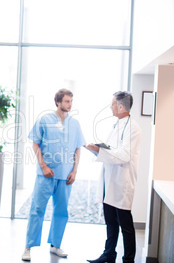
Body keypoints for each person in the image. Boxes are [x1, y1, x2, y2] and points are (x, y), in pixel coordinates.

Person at [22, 89, 85, 261]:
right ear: (57, 102)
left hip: (65, 176)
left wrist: (74, 171)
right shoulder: (45, 120)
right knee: (37, 209)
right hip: (46, 174)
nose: (69, 104)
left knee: (62, 211)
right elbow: (35, 144)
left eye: (71, 101)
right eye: (66, 101)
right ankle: (28, 246)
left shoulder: (75, 124)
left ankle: (55, 245)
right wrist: (43, 166)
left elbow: (78, 148)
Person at [85, 91, 142, 263]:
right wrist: (98, 149)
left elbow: (125, 155)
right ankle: (109, 254)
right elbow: (112, 149)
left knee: (125, 225)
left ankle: (129, 259)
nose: (110, 107)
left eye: (112, 104)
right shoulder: (117, 124)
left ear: (121, 106)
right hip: (110, 181)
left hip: (122, 182)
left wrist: (100, 151)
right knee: (110, 221)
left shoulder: (133, 127)